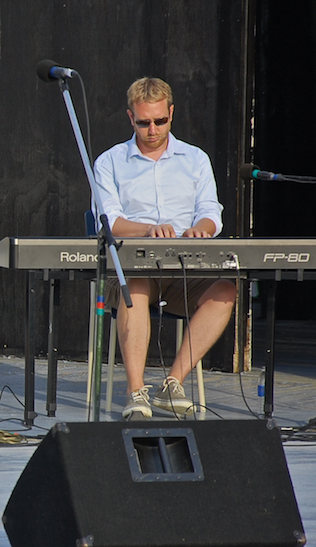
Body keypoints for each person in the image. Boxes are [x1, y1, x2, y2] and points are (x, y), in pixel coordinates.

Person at [93, 77, 237, 418]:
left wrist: (200, 230)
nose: (153, 129)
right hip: (132, 270)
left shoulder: (195, 159)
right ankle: (135, 391)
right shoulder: (110, 162)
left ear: (171, 113)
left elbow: (210, 211)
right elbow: (109, 221)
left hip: (184, 270)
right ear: (131, 118)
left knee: (225, 291)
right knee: (137, 287)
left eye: (160, 120)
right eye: (144, 122)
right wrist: (148, 230)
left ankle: (172, 382)